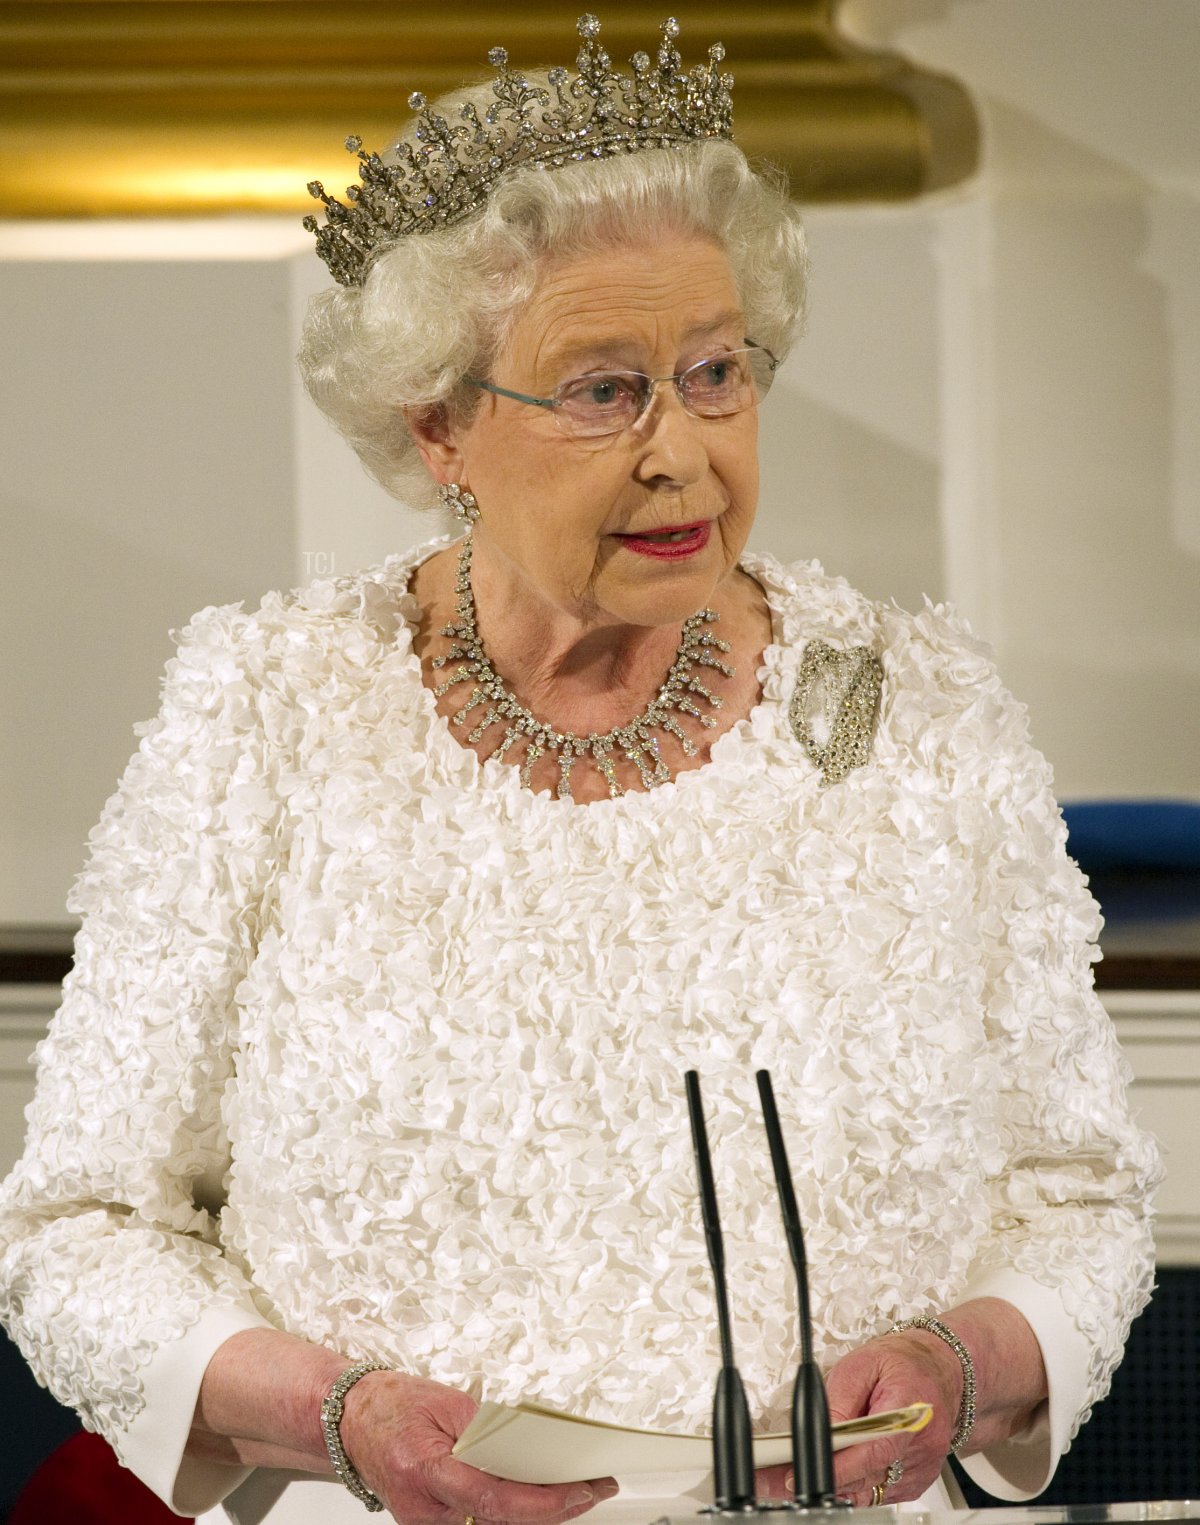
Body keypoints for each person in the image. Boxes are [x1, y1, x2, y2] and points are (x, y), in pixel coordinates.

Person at [0, 14, 1161, 1525]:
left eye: (717, 372)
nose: (680, 448)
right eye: (605, 390)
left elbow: (1084, 1199)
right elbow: (76, 1229)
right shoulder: (265, 716)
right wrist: (341, 1419)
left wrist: (972, 1355)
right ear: (442, 429)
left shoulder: (920, 712)